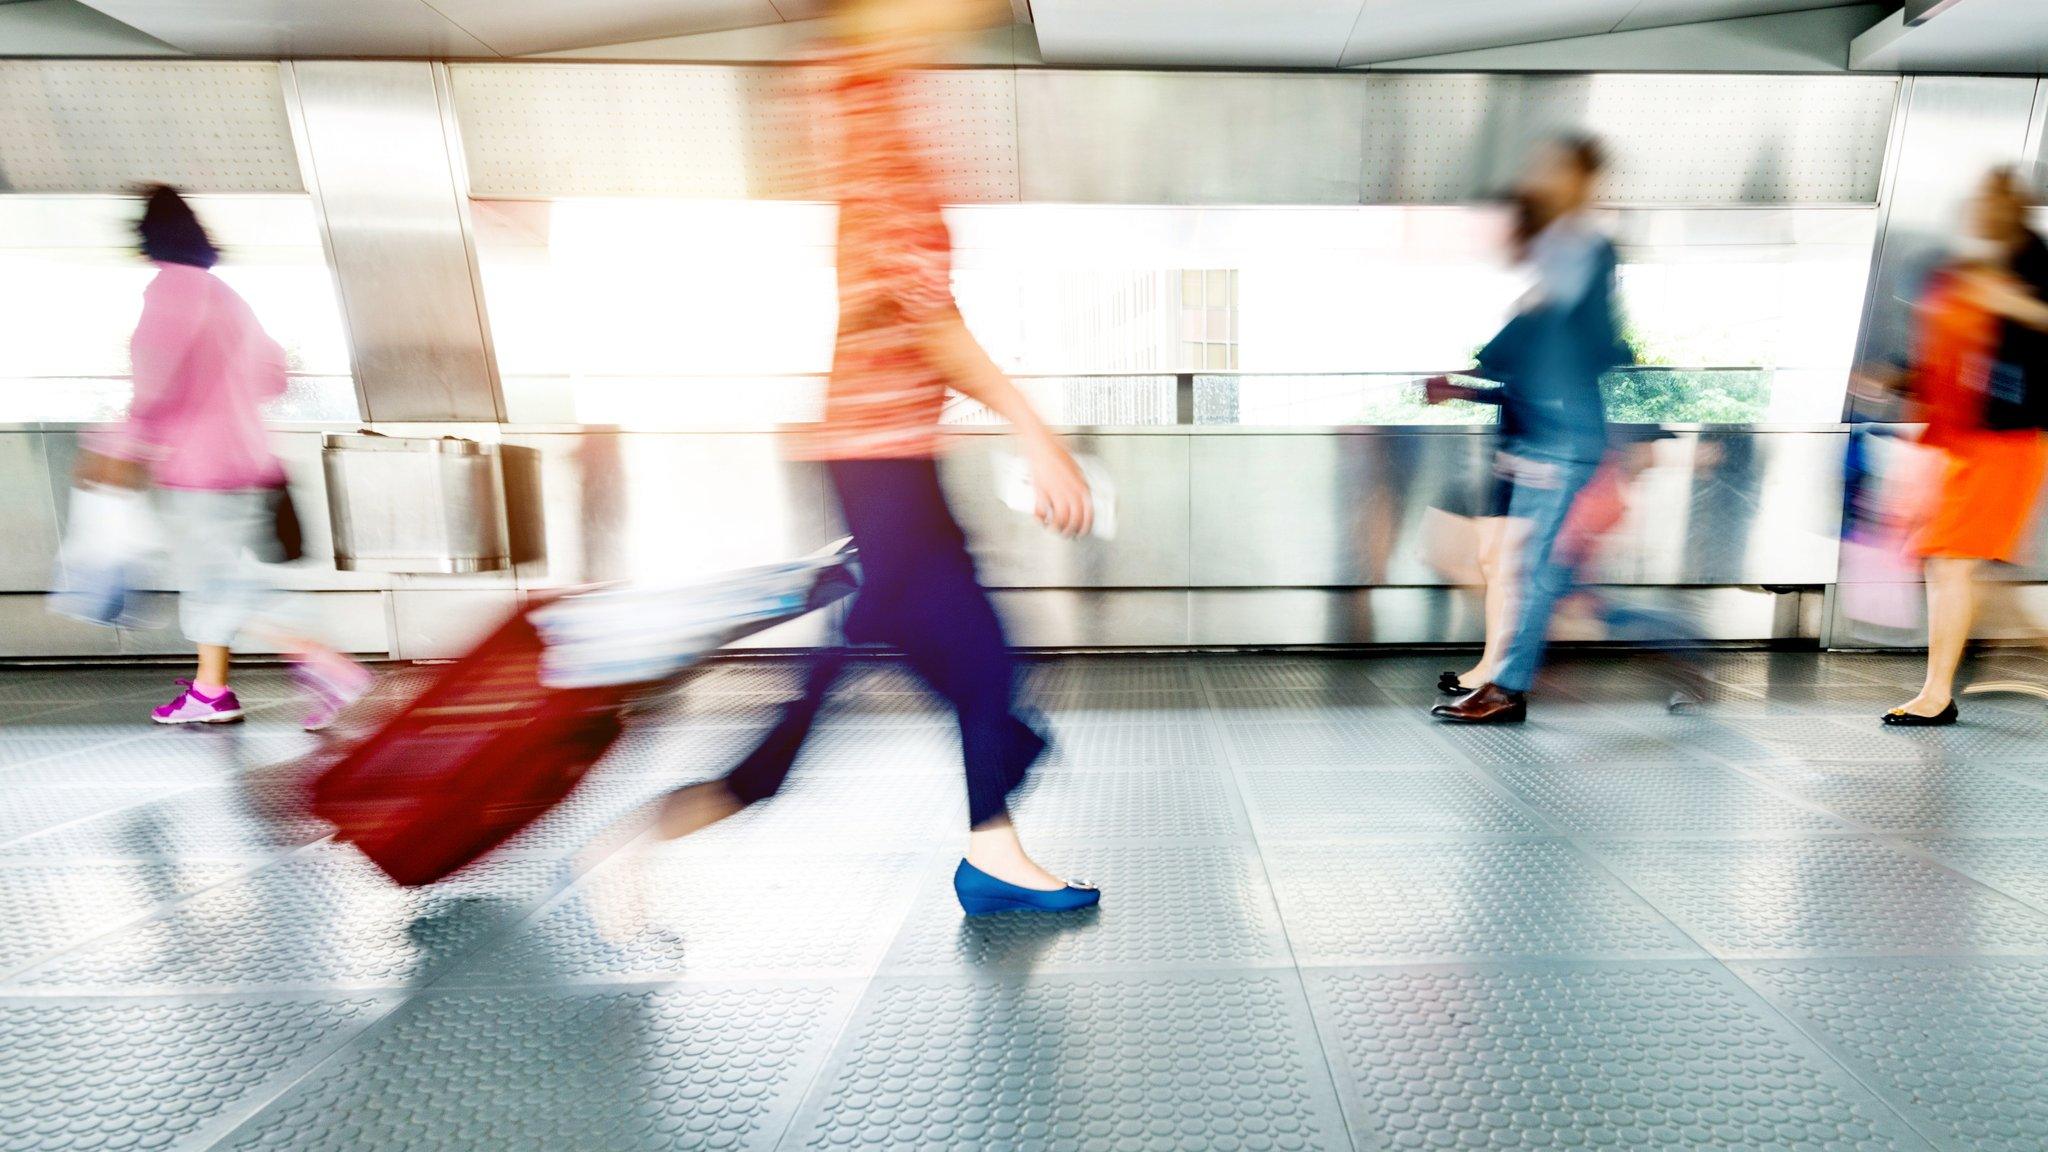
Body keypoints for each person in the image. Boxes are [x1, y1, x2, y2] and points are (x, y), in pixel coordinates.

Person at [655, 0, 1101, 917]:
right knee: (934, 668)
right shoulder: (868, 111)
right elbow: (924, 315)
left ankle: (994, 846)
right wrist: (1035, 428)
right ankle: (663, 829)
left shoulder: (875, 100)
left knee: (968, 668)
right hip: (882, 459)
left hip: (889, 454)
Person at [87, 186, 372, 729]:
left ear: (148, 239)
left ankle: (328, 664)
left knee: (221, 583)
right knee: (211, 577)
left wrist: (120, 446)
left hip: (198, 468)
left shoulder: (167, 290)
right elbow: (274, 375)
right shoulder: (227, 296)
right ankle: (210, 691)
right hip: (251, 460)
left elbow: (155, 382)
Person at [1425, 136, 1629, 724]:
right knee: (1543, 573)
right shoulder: (1560, 251)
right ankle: (1670, 646)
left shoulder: (1585, 249)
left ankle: (1509, 687)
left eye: (1552, 167)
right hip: (1541, 435)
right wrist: (1469, 380)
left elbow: (1588, 346)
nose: (1538, 175)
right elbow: (1526, 348)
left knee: (1535, 569)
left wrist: (1480, 378)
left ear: (1579, 178)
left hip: (1561, 436)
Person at [1880, 169, 2048, 726]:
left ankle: (1936, 694)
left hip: (2010, 440)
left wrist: (2015, 303)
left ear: (2012, 208)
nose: (1977, 211)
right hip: (1965, 439)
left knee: (1951, 561)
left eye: (1990, 201)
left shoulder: (2033, 263)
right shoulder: (1969, 268)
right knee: (1950, 564)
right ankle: (1938, 690)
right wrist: (1901, 379)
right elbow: (1954, 355)